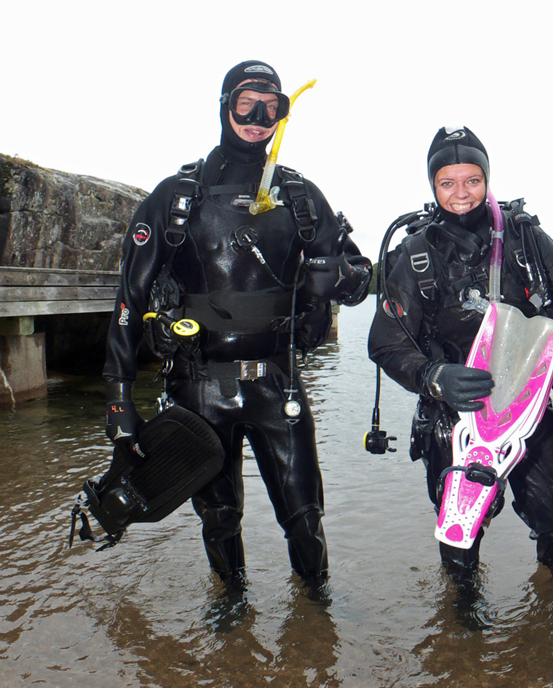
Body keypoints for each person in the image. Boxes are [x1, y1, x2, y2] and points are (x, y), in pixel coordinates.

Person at [102, 60, 372, 588]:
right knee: (218, 517)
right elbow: (129, 300)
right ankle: (229, 612)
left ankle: (315, 613)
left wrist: (337, 277)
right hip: (198, 385)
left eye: (272, 105)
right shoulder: (175, 198)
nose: (258, 116)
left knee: (304, 513)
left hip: (278, 381)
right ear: (225, 105)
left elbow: (357, 274)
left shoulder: (301, 197)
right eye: (246, 102)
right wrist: (118, 398)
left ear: (283, 114)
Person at [368, 126, 553, 578]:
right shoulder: (415, 253)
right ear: (433, 186)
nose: (461, 193)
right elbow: (384, 342)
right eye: (447, 183)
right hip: (451, 416)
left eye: (472, 180)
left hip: (526, 410)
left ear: (487, 179)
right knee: (461, 537)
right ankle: (460, 636)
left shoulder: (525, 239)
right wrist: (434, 376)